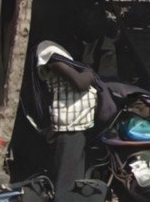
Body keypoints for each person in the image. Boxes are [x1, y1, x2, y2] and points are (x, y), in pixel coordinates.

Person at [33, 40, 108, 201]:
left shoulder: (56, 55)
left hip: (74, 125)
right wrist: (90, 73)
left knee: (72, 180)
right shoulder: (50, 54)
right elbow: (80, 83)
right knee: (67, 182)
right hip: (68, 127)